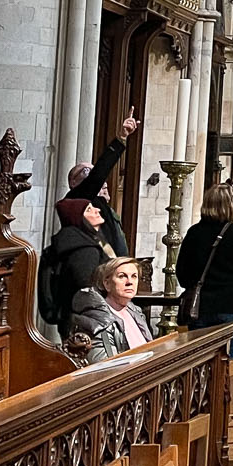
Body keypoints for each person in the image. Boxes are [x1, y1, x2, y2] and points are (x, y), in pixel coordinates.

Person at [176, 184, 233, 358]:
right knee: (228, 359)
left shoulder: (194, 233)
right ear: (230, 206)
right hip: (232, 305)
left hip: (200, 307)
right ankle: (224, 385)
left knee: (199, 359)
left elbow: (182, 272)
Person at [64, 110, 139, 254]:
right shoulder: (75, 201)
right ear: (73, 182)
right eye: (85, 172)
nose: (102, 184)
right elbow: (98, 175)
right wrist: (121, 138)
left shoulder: (101, 204)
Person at [44, 195, 118, 334]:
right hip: (89, 322)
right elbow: (87, 290)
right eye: (89, 210)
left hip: (87, 318)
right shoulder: (83, 249)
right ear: (78, 218)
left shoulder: (90, 240)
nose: (97, 210)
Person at [68, 258, 153, 363]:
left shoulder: (135, 311)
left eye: (134, 276)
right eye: (122, 276)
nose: (130, 282)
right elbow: (108, 367)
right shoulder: (98, 320)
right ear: (107, 284)